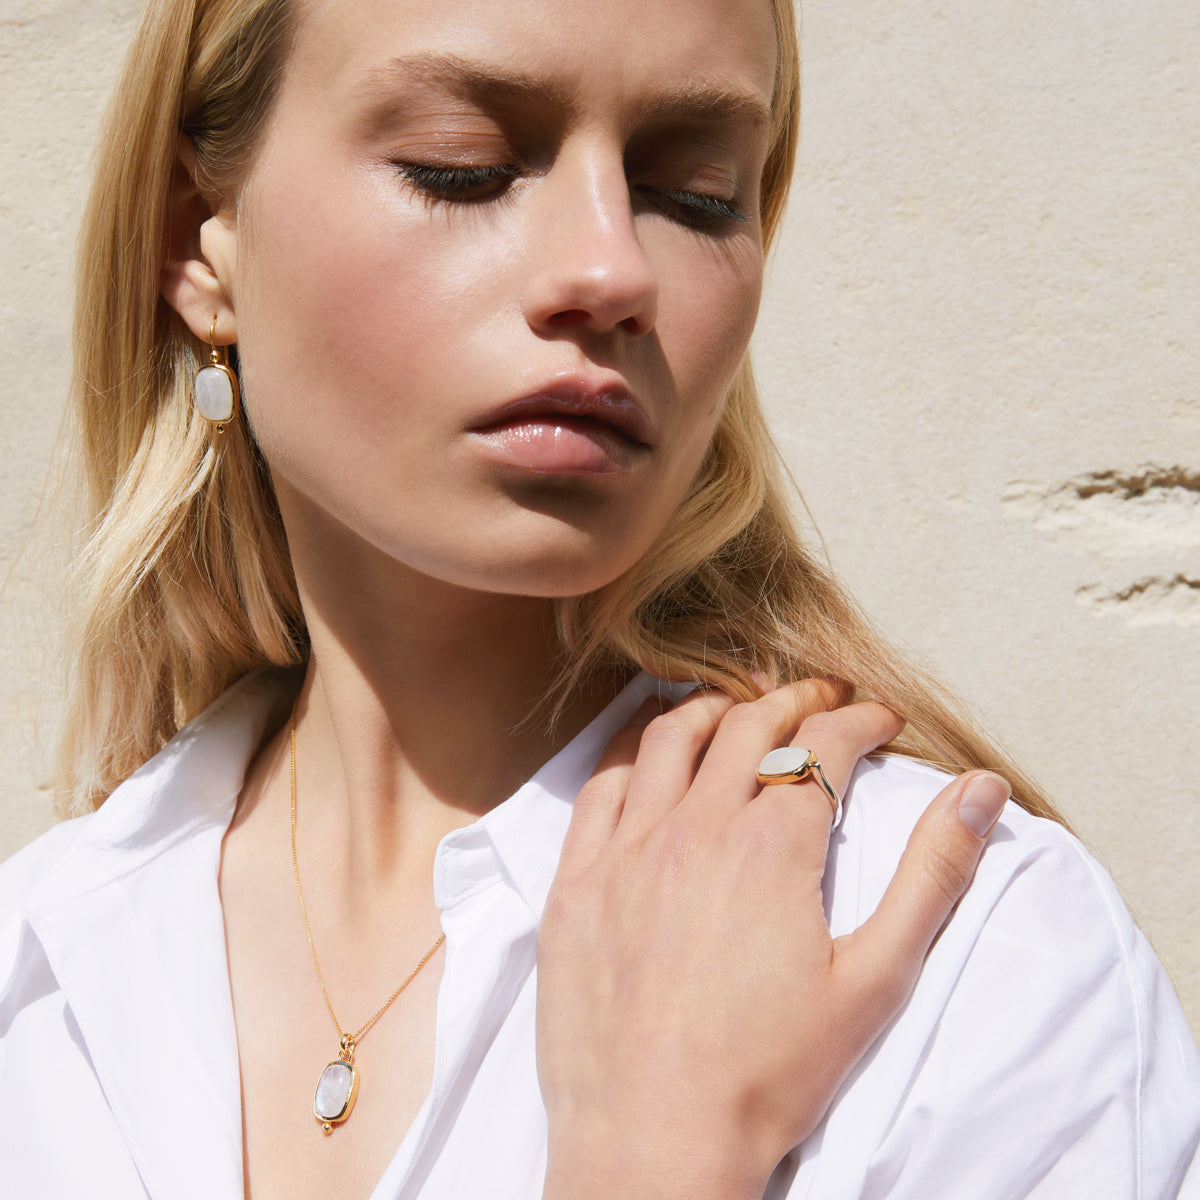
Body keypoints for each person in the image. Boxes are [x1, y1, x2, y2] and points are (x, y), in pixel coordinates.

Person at [1, 0, 1197, 1196]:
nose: (611, 271)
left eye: (696, 192)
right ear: (197, 245)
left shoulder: (948, 948)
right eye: (461, 169)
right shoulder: (43, 978)